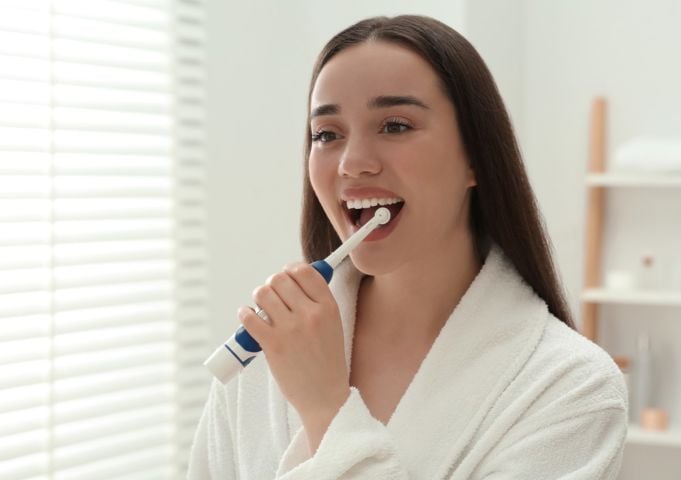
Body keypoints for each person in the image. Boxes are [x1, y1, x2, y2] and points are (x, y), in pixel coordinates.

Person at [189, 15, 627, 480]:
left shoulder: (572, 388)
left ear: (477, 157)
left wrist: (326, 414)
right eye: (327, 135)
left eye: (395, 126)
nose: (352, 164)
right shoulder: (272, 342)